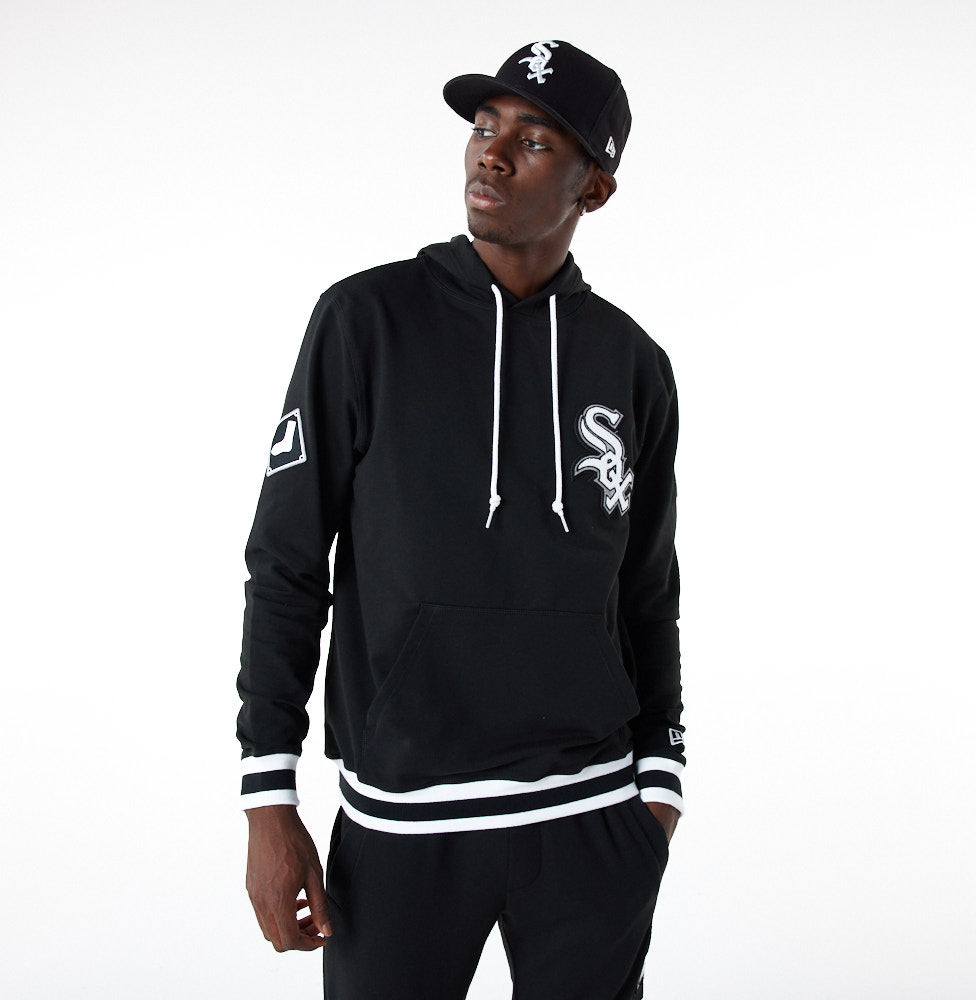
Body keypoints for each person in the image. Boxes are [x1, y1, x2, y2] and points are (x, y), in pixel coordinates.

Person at [237, 39, 685, 1000]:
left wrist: (661, 781)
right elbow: (286, 563)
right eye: (485, 126)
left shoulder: (632, 363)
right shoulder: (364, 322)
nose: (493, 153)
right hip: (404, 820)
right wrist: (268, 796)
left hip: (593, 817)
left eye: (535, 140)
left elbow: (649, 592)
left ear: (594, 188)